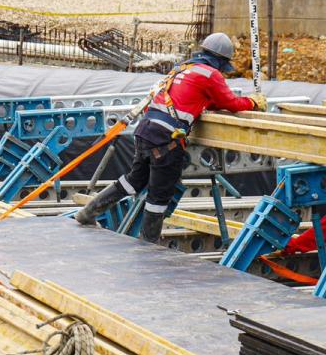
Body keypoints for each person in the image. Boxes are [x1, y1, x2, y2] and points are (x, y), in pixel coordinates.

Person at [74, 33, 267, 242]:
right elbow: (231, 103)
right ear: (221, 61)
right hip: (167, 140)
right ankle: (148, 243)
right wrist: (253, 102)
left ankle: (87, 213)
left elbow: (200, 99)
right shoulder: (211, 74)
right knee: (159, 195)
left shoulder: (182, 68)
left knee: (134, 180)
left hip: (145, 131)